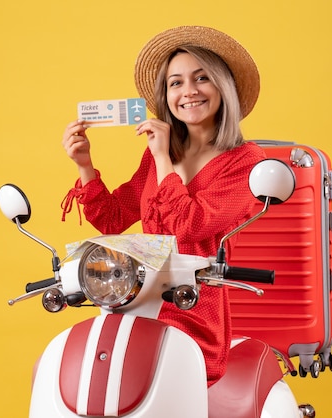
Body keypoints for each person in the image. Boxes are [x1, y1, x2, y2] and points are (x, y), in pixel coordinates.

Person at [60, 26, 266, 386]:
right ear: (165, 94)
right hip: (137, 300)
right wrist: (84, 164)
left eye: (202, 78)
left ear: (223, 87)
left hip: (193, 308)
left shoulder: (246, 162)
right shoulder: (162, 153)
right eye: (175, 82)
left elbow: (190, 225)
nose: (189, 91)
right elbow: (113, 216)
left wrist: (161, 158)